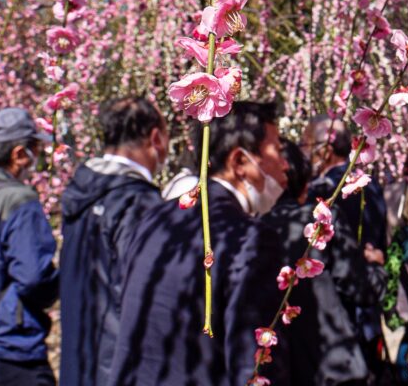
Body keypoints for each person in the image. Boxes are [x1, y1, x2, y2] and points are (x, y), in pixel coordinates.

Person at [106, 101, 289, 386]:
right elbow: (252, 363)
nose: (285, 164)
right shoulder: (249, 238)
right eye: (277, 149)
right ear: (239, 162)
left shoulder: (153, 218)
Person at [59, 97, 169, 386]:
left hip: (79, 360)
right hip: (120, 367)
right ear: (155, 137)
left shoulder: (80, 193)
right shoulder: (138, 201)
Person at [262, 140, 370, 386]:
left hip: (284, 368)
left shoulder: (254, 228)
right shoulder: (323, 221)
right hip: (335, 364)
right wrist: (375, 268)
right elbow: (358, 286)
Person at [307, 119, 388, 380]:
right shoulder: (370, 185)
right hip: (369, 298)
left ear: (325, 149)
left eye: (309, 144)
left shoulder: (324, 194)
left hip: (341, 310)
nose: (306, 153)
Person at [0, 108, 58, 386]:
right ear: (18, 154)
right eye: (35, 149)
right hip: (10, 347)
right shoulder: (17, 199)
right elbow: (33, 277)